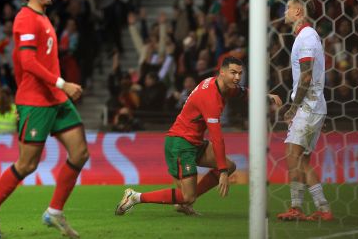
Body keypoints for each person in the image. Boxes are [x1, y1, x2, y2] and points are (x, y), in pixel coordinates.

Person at [0, 0, 89, 238]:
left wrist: (57, 90)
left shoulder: (43, 17)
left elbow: (22, 64)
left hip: (56, 100)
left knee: (80, 153)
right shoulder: (25, 19)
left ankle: (54, 212)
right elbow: (26, 63)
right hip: (38, 102)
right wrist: (62, 84)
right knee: (27, 165)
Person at [115, 56, 282, 215]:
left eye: (240, 73)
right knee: (190, 194)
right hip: (180, 143)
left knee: (229, 167)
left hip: (193, 141)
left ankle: (185, 202)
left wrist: (266, 96)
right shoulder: (210, 98)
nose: (237, 77)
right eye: (233, 73)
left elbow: (243, 92)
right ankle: (135, 197)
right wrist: (222, 172)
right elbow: (217, 137)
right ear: (222, 72)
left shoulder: (221, 85)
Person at [276, 0, 333, 221]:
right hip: (312, 106)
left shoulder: (307, 37)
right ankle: (324, 209)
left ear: (298, 11)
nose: (284, 12)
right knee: (301, 159)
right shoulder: (304, 36)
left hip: (308, 106)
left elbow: (307, 76)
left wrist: (293, 107)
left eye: (287, 8)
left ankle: (296, 207)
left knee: (292, 153)